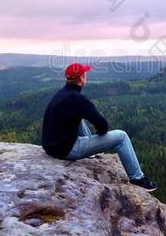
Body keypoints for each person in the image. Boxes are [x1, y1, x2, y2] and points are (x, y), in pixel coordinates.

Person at [41, 62, 157, 191]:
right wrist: (100, 137)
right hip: (67, 150)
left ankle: (90, 151)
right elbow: (103, 126)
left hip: (50, 147)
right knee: (121, 137)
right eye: (85, 74)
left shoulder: (61, 93)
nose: (86, 76)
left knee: (76, 118)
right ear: (81, 78)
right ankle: (137, 178)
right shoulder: (78, 99)